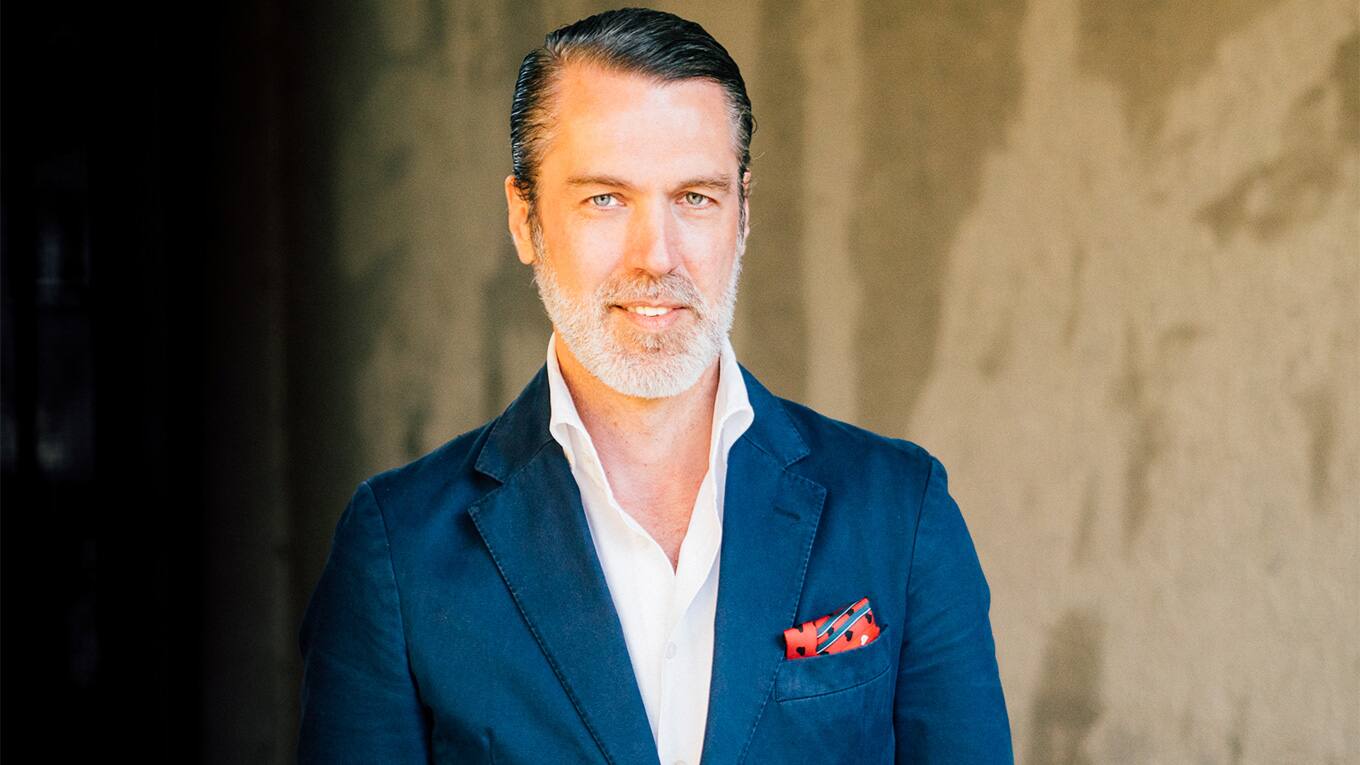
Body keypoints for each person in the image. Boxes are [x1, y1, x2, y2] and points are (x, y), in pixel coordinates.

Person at [297, 8, 1012, 764]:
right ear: (524, 219)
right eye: (605, 198)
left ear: (743, 215)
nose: (656, 256)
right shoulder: (397, 550)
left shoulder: (900, 512)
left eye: (695, 197)